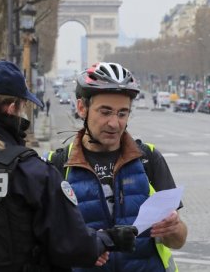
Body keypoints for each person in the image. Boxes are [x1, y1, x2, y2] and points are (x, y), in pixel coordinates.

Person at [0, 60, 137, 272]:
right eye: (24, 107)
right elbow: (71, 245)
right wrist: (107, 239)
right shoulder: (30, 172)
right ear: (12, 109)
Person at [48, 62, 188, 272]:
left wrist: (174, 228)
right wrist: (79, 250)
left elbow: (177, 241)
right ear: (81, 108)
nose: (114, 123)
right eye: (105, 112)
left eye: (122, 113)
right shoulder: (56, 166)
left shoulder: (149, 159)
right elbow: (44, 242)